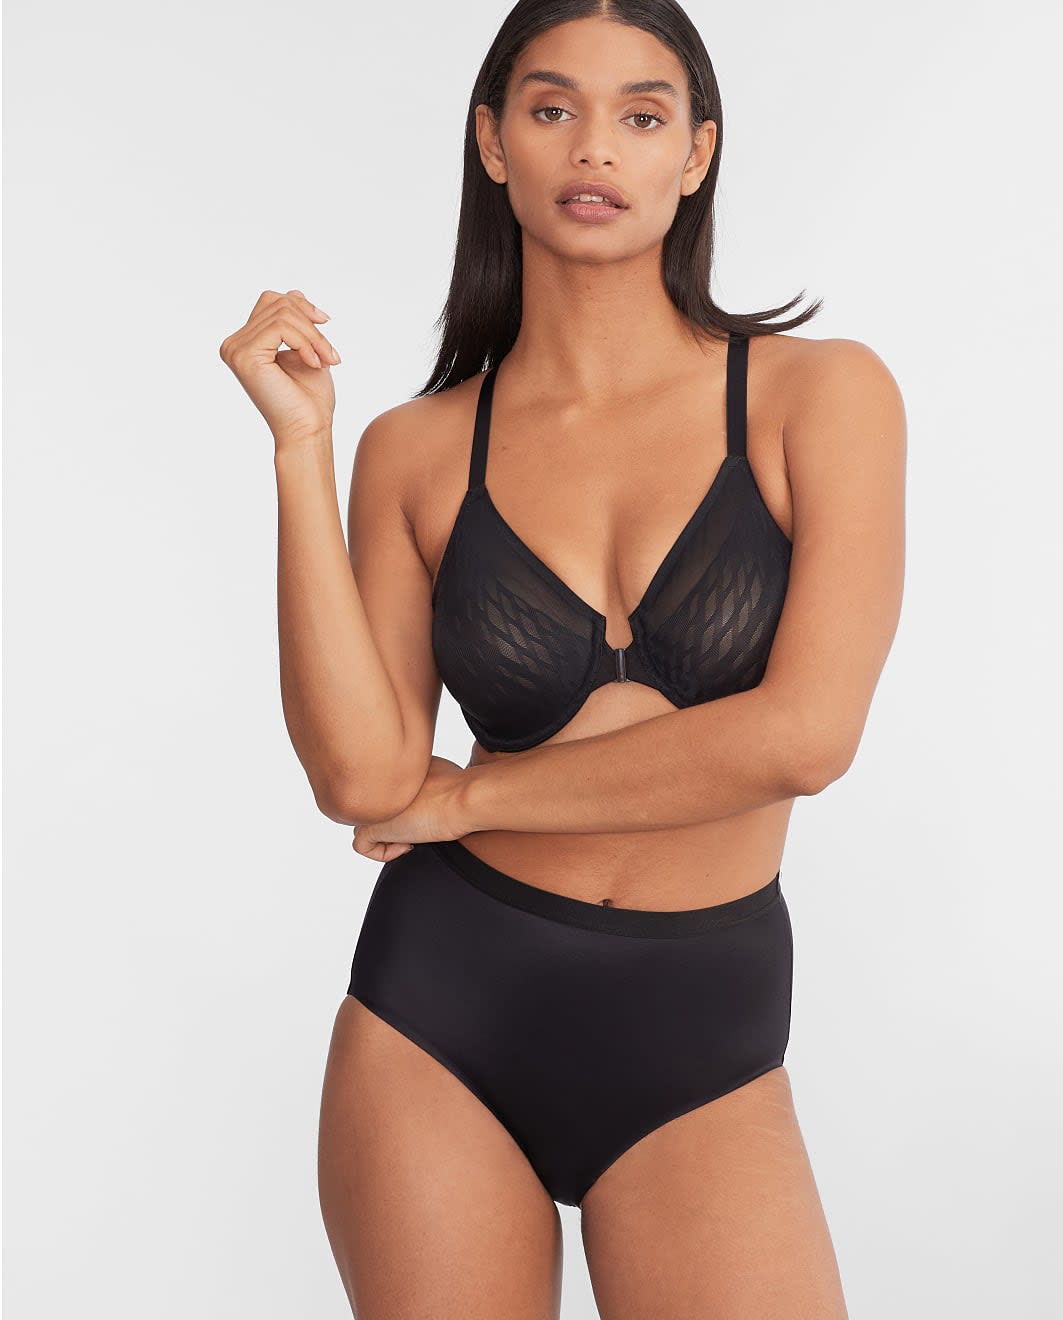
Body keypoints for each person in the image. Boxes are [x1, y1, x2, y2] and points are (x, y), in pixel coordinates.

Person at [220, 3, 906, 1315]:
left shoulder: (818, 395)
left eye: (641, 115)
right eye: (552, 109)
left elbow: (805, 736)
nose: (595, 147)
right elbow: (364, 778)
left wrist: (471, 797)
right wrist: (303, 447)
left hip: (701, 1032)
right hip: (439, 1014)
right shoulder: (417, 450)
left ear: (695, 153)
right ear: (493, 143)